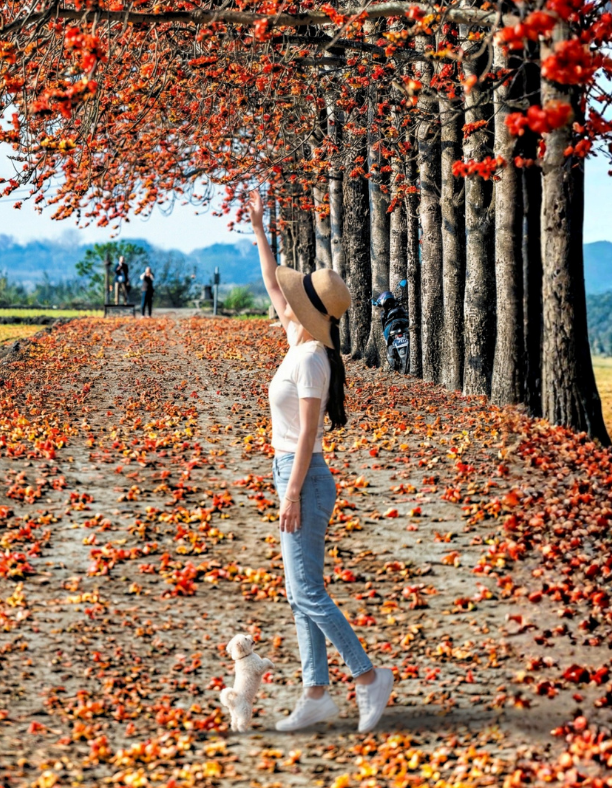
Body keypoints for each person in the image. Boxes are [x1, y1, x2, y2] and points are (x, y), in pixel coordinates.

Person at [247, 190, 394, 734]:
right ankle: (315, 693)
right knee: (298, 590)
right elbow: (271, 282)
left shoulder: (311, 360)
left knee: (307, 590)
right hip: (291, 475)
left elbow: (309, 433)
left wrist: (290, 492)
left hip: (303, 479)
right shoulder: (297, 338)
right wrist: (260, 228)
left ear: (311, 308)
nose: (286, 301)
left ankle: (367, 676)